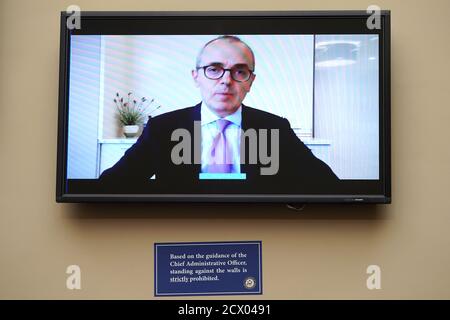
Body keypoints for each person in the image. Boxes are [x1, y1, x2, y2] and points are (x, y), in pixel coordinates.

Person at [99, 35, 339, 193]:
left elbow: (327, 186)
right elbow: (112, 186)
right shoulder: (164, 129)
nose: (226, 81)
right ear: (196, 76)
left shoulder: (274, 128)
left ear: (250, 81)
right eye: (214, 69)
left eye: (239, 71)